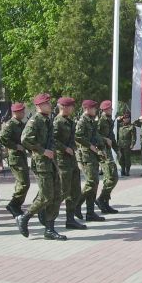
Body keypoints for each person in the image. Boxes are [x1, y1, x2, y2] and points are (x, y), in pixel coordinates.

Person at [16, 93, 67, 240]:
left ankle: (49, 229)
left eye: (49, 103)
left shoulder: (47, 120)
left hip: (50, 162)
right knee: (46, 196)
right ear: (38, 106)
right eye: (46, 103)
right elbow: (25, 139)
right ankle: (24, 217)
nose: (50, 105)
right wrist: (43, 151)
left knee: (56, 195)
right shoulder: (35, 120)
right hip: (41, 163)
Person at [53, 97, 86, 230]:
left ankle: (70, 219)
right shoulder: (57, 122)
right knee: (63, 191)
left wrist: (72, 147)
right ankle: (46, 211)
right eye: (71, 106)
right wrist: (64, 148)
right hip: (62, 160)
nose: (73, 108)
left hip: (71, 160)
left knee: (75, 191)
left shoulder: (69, 121)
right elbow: (52, 139)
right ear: (63, 107)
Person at [74, 100, 106, 222]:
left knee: (95, 183)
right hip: (86, 156)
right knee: (91, 182)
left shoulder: (91, 121)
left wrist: (101, 146)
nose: (95, 110)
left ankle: (90, 212)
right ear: (86, 109)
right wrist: (91, 146)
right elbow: (77, 136)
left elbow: (95, 135)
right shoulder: (82, 121)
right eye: (93, 108)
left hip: (93, 155)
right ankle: (77, 204)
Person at [0, 102, 30, 218]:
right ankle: (13, 205)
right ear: (14, 112)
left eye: (23, 111)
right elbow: (2, 138)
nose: (23, 113)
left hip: (21, 156)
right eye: (20, 111)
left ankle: (16, 206)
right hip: (15, 157)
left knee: (23, 183)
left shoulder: (20, 124)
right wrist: (15, 146)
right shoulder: (10, 124)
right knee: (23, 183)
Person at [96, 100, 119, 214]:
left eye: (111, 108)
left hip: (108, 151)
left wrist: (117, 150)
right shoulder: (101, 121)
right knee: (112, 177)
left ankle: (105, 202)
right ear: (104, 110)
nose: (111, 110)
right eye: (109, 108)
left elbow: (112, 136)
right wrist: (105, 139)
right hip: (102, 151)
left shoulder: (109, 120)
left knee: (109, 178)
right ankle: (101, 199)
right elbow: (94, 134)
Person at [116, 111, 136, 176]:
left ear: (129, 119)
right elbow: (114, 122)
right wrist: (119, 118)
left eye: (127, 118)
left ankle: (127, 170)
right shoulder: (120, 125)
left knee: (127, 158)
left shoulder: (131, 127)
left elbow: (134, 137)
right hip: (120, 144)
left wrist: (132, 144)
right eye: (124, 118)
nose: (126, 119)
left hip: (127, 145)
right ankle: (122, 169)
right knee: (120, 158)